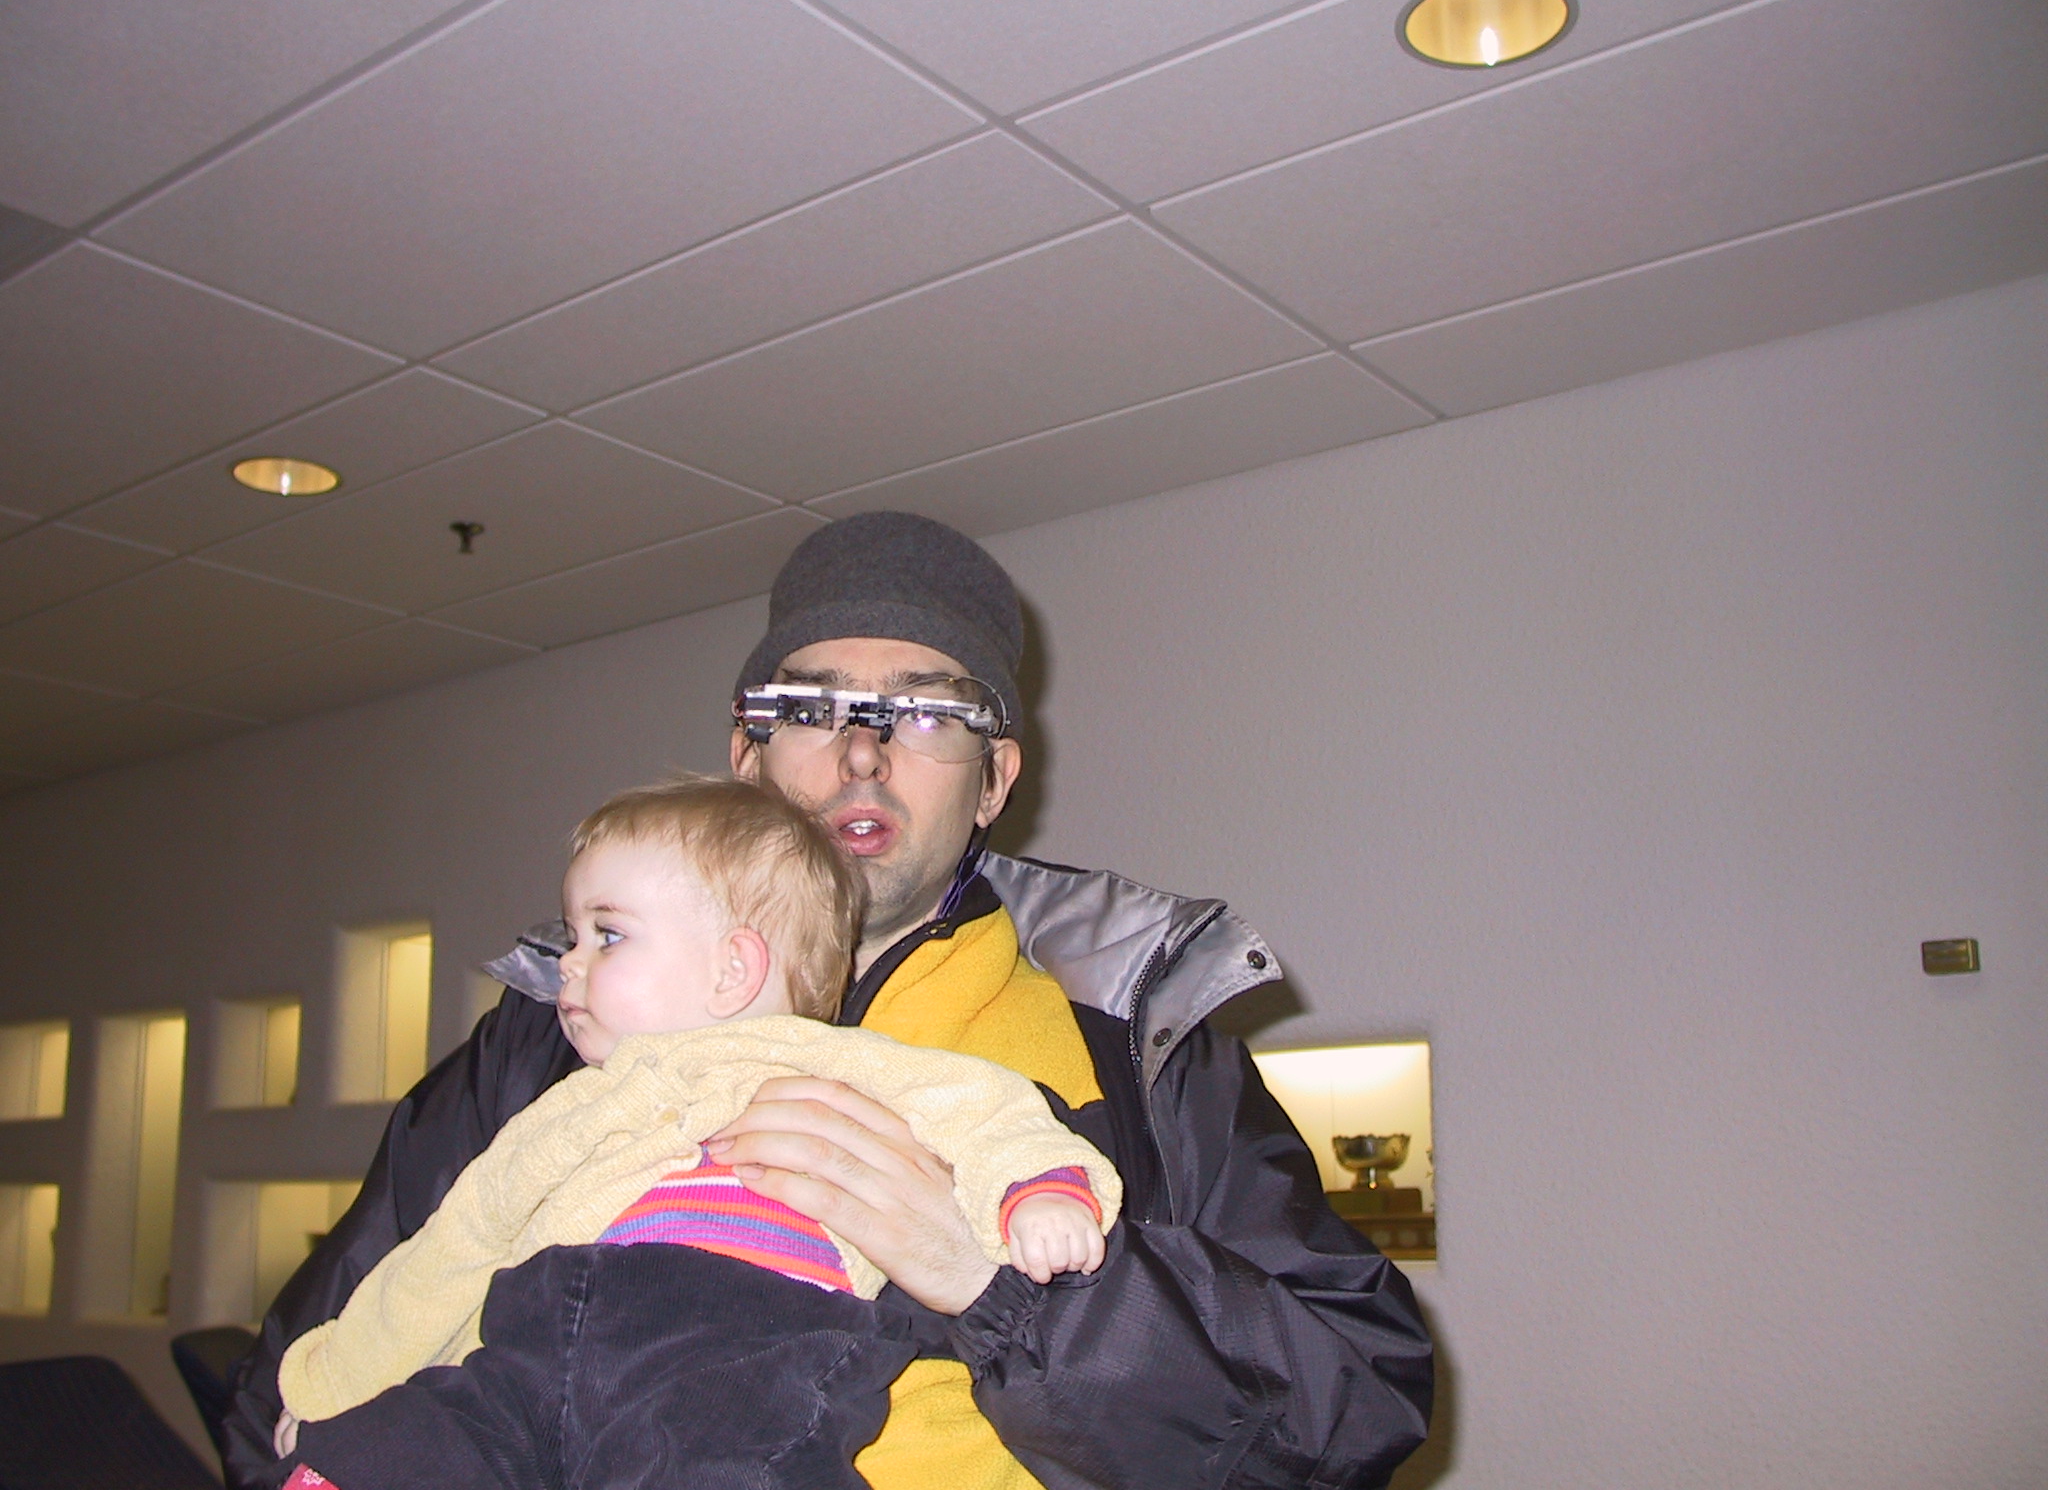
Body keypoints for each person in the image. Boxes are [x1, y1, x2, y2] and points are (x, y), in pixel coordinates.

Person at [224, 510, 1434, 1490]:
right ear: (745, 755)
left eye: (926, 711)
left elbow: (1349, 1414)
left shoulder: (1136, 1048)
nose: (861, 753)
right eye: (808, 709)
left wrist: (1002, 1290)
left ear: (992, 779)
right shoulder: (551, 1039)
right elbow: (294, 1398)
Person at [268, 774, 1117, 1490]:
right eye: (572, 936)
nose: (568, 963)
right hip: (545, 1340)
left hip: (742, 1359)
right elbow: (454, 1250)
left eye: (607, 935)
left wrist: (1039, 1188)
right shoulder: (568, 1111)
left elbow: (981, 1106)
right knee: (413, 1435)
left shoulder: (826, 1067)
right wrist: (334, 1387)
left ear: (732, 968)